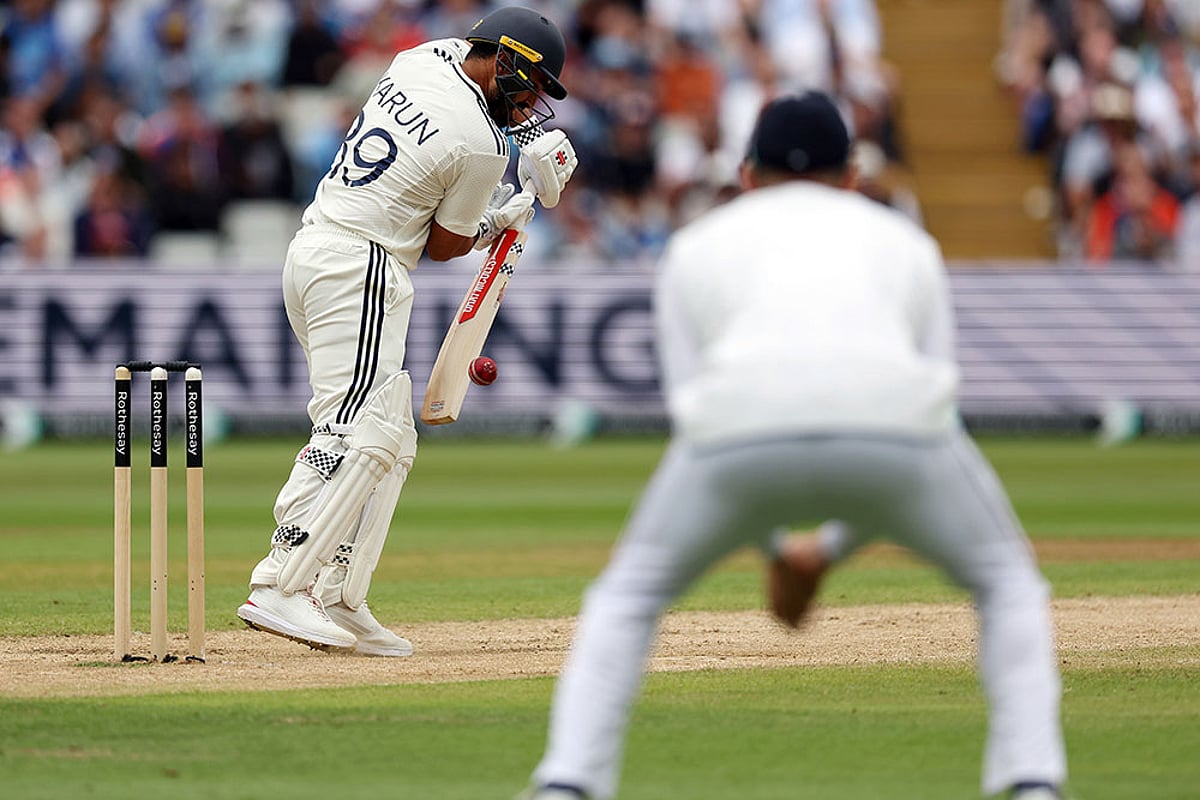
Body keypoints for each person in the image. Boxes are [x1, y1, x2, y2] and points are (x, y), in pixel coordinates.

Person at [519, 93, 1068, 800]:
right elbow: (934, 403)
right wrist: (826, 550)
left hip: (735, 433)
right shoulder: (906, 241)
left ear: (747, 175)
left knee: (627, 597)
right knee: (1007, 584)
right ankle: (1033, 784)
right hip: (897, 427)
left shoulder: (694, 245)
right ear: (851, 176)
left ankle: (567, 785)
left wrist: (780, 548)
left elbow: (694, 409)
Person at [235, 6, 578, 656]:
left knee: (390, 431)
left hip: (316, 248)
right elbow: (447, 245)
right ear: (504, 61)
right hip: (362, 267)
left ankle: (341, 591)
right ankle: (282, 580)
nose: (532, 105)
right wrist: (505, 213)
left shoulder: (421, 57)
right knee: (352, 429)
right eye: (532, 86)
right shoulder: (482, 144)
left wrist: (498, 200)